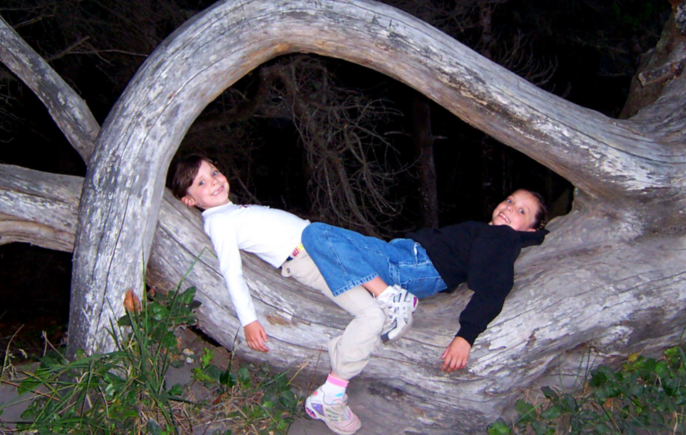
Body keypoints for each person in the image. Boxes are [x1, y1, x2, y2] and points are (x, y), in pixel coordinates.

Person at [171, 154, 416, 435]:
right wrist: (248, 320)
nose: (214, 181)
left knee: (373, 307)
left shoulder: (231, 212)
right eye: (201, 182)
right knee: (371, 310)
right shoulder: (218, 222)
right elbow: (231, 271)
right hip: (308, 259)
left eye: (213, 172)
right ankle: (334, 391)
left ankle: (391, 300)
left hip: (316, 251)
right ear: (189, 201)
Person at [302, 189, 548, 374]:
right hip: (410, 262)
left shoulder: (503, 237)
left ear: (529, 231)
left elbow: (494, 288)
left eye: (522, 211)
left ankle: (391, 299)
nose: (510, 207)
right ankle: (379, 301)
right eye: (510, 200)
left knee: (316, 234)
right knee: (326, 246)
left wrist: (466, 336)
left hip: (414, 265)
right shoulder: (493, 235)